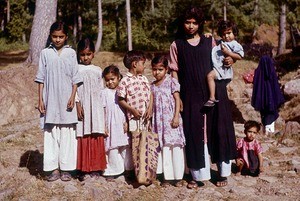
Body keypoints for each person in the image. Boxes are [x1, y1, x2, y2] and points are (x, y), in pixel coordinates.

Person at [169, 6, 237, 188]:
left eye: (194, 23)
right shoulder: (177, 45)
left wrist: (230, 59)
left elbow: (223, 59)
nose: (191, 26)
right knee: (194, 132)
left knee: (218, 130)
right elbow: (174, 72)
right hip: (190, 94)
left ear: (200, 24)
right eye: (187, 22)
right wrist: (178, 96)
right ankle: (198, 175)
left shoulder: (209, 41)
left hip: (214, 91)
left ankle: (222, 174)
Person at [35, 21, 82, 182]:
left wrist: (72, 96)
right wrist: (40, 99)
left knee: (67, 134)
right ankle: (53, 168)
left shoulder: (71, 53)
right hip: (50, 100)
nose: (57, 40)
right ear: (50, 36)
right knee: (51, 133)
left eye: (61, 37)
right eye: (54, 36)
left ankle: (66, 169)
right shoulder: (45, 54)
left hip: (66, 100)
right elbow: (40, 78)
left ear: (66, 37)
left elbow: (75, 78)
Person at [117, 50, 153, 182]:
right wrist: (131, 110)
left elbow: (150, 95)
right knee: (135, 144)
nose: (144, 67)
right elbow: (121, 99)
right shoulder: (125, 81)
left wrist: (149, 108)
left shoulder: (144, 79)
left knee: (146, 143)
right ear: (134, 64)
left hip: (145, 118)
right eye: (142, 64)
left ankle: (147, 171)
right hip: (134, 119)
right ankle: (136, 172)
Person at [151, 55, 186, 187]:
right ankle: (166, 176)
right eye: (154, 69)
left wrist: (176, 116)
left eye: (160, 69)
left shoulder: (171, 82)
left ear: (166, 69)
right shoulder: (152, 86)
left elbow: (177, 99)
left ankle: (178, 177)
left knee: (174, 147)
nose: (157, 72)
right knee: (164, 147)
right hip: (159, 122)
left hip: (171, 120)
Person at [75, 38, 106, 181]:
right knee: (84, 133)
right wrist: (77, 104)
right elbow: (73, 89)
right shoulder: (76, 69)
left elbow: (102, 90)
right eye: (82, 54)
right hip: (83, 106)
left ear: (93, 54)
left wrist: (103, 109)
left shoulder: (98, 70)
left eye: (88, 54)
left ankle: (96, 167)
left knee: (95, 132)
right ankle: (83, 168)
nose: (85, 57)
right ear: (78, 54)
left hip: (96, 107)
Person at [102, 65, 134, 181]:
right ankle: (113, 170)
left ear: (119, 77)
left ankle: (128, 169)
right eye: (107, 80)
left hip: (122, 122)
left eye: (112, 79)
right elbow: (103, 109)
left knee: (125, 146)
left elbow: (127, 108)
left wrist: (127, 121)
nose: (110, 82)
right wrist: (104, 126)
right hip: (110, 123)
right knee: (112, 148)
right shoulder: (104, 93)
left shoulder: (122, 90)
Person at [205, 20, 244, 107]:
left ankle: (212, 98)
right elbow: (214, 43)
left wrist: (229, 53)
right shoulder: (221, 42)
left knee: (209, 76)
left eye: (229, 33)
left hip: (222, 70)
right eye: (223, 34)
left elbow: (240, 56)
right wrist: (209, 35)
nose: (226, 36)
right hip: (217, 68)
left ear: (234, 32)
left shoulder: (234, 44)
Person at [251, 55, 285, 135]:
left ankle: (265, 131)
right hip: (272, 100)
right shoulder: (272, 72)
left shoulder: (258, 72)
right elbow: (276, 88)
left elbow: (256, 87)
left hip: (262, 101)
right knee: (270, 113)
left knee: (264, 114)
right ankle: (269, 131)